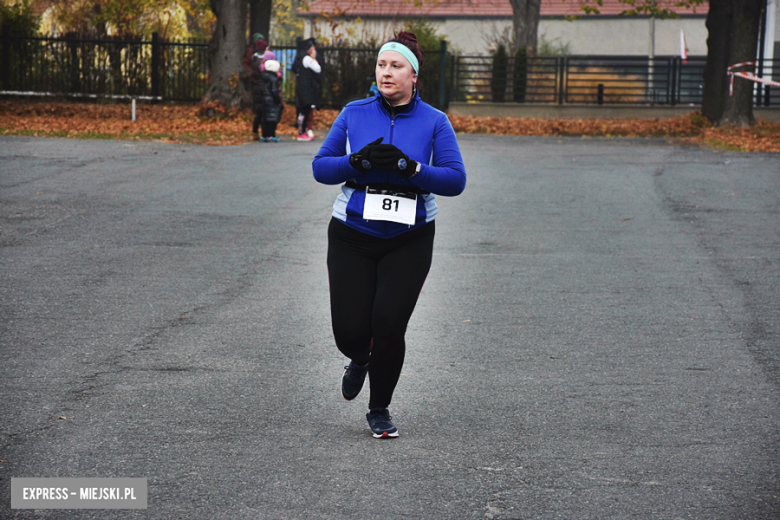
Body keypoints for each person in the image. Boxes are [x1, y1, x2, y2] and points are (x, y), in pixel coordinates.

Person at [312, 31, 467, 439]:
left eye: (396, 66)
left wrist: (412, 170)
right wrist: (356, 162)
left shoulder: (435, 120)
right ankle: (360, 359)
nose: (387, 72)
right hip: (352, 234)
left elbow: (455, 180)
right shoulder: (354, 112)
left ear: (414, 75)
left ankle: (379, 409)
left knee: (388, 324)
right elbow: (321, 167)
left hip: (410, 238)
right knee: (349, 333)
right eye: (382, 64)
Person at [292, 38, 321, 141]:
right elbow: (318, 68)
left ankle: (302, 131)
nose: (314, 49)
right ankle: (301, 132)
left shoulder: (301, 57)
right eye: (312, 47)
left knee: (304, 109)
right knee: (305, 109)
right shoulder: (306, 58)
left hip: (303, 86)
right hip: (306, 87)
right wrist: (313, 58)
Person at [246, 34, 269, 141]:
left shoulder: (254, 56)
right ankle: (262, 133)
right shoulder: (261, 59)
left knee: (259, 112)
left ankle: (256, 131)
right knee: (262, 112)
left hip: (256, 85)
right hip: (261, 86)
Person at [260, 57, 283, 142]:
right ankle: (271, 134)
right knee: (272, 119)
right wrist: (278, 100)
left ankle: (264, 135)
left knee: (265, 118)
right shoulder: (273, 79)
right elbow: (274, 91)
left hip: (265, 100)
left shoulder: (263, 77)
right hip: (272, 101)